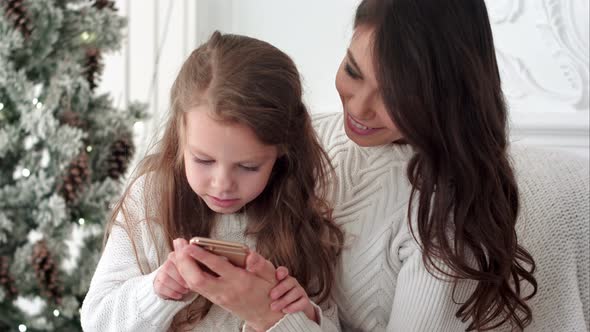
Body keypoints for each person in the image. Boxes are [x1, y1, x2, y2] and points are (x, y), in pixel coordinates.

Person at [270, 0, 588, 331]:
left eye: (395, 96)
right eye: (353, 70)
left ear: (445, 95)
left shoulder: (444, 217)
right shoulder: (307, 137)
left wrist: (275, 319)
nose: (360, 108)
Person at [80, 31, 344, 331]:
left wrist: (301, 316)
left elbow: (331, 322)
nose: (222, 184)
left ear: (282, 152)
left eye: (248, 166)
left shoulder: (297, 211)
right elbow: (96, 321)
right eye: (203, 160)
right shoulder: (150, 196)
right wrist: (159, 290)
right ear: (180, 136)